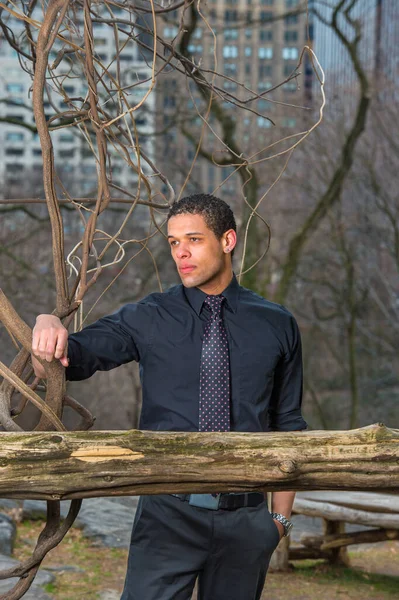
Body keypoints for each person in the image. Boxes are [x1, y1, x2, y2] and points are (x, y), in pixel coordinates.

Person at [32, 193, 307, 600]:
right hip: (166, 517)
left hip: (246, 520)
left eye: (193, 240)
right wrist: (47, 325)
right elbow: (64, 362)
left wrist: (279, 522)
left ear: (227, 241)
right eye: (174, 243)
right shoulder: (148, 317)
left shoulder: (277, 324)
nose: (181, 253)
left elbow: (289, 426)